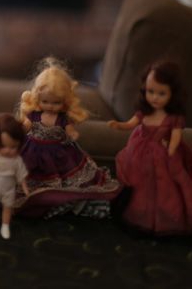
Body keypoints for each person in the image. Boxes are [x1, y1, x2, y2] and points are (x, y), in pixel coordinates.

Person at [16, 57, 121, 218]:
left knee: (64, 178)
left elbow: (69, 129)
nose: (50, 106)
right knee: (27, 176)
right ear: (37, 98)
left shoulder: (62, 118)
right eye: (45, 101)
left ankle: (55, 198)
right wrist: (19, 130)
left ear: (64, 102)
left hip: (58, 154)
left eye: (56, 103)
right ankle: (35, 196)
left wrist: (72, 134)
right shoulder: (34, 115)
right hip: (32, 152)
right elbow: (26, 127)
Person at [109, 60, 192, 234]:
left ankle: (166, 219)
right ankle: (140, 217)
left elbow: (176, 136)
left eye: (161, 93)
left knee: (165, 187)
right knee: (140, 185)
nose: (154, 97)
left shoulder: (173, 117)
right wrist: (119, 125)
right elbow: (130, 124)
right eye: (150, 91)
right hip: (140, 153)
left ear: (172, 94)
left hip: (163, 154)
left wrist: (171, 149)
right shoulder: (144, 112)